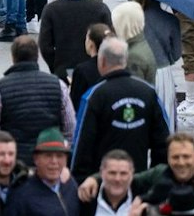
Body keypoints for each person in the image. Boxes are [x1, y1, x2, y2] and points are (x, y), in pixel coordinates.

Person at [72, 38, 171, 180]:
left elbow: (82, 144)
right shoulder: (148, 92)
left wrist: (81, 181)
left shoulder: (94, 95)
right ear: (125, 61)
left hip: (104, 180)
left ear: (102, 61)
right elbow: (163, 141)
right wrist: (155, 180)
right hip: (139, 179)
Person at [38, 0, 112, 80]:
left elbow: (45, 45)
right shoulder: (100, 9)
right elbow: (109, 42)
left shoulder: (51, 9)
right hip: (92, 71)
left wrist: (56, 67)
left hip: (63, 69)